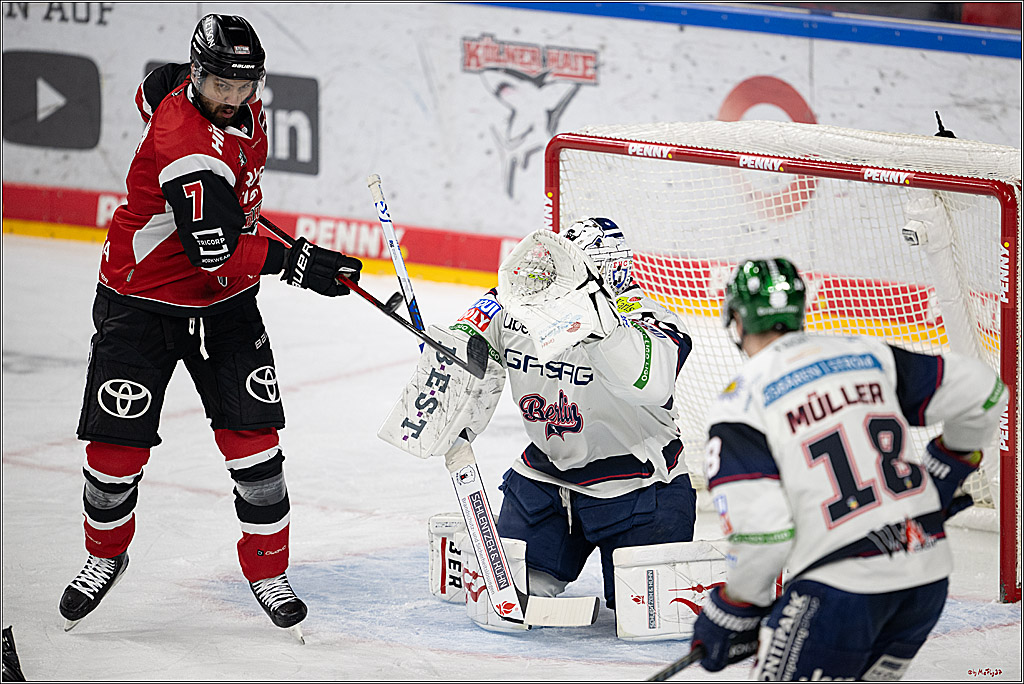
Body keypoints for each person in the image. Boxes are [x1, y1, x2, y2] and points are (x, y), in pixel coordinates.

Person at [60, 14, 363, 638]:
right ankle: (104, 555)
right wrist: (298, 263)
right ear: (198, 77)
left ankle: (267, 569)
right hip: (142, 300)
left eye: (244, 85)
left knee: (257, 450)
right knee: (114, 458)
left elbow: (150, 86)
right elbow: (215, 248)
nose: (234, 97)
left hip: (225, 308)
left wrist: (255, 223)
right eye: (220, 84)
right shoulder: (186, 144)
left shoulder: (214, 99)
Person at [691, 258, 1007, 680]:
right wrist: (950, 463)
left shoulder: (740, 404)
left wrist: (734, 607)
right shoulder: (865, 353)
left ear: (737, 320)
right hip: (926, 575)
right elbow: (985, 393)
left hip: (840, 589)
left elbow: (764, 535)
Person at [426, 218, 698, 615]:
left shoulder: (645, 318)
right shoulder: (513, 305)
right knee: (504, 596)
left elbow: (654, 383)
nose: (551, 279)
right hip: (547, 481)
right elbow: (463, 354)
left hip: (641, 487)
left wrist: (599, 328)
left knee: (644, 614)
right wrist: (450, 358)